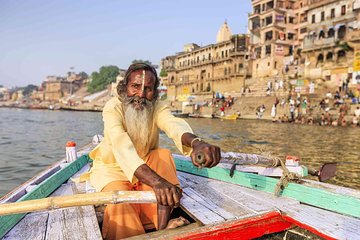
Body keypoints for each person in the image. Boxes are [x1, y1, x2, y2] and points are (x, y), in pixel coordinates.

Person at [88, 63, 221, 239]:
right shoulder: (113, 107)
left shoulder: (156, 106)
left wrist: (196, 142)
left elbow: (173, 124)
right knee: (121, 204)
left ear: (155, 92)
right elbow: (121, 144)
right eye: (135, 86)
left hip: (145, 163)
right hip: (113, 170)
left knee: (162, 155)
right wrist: (157, 182)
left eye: (148, 89)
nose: (141, 95)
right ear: (124, 87)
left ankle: (162, 228)